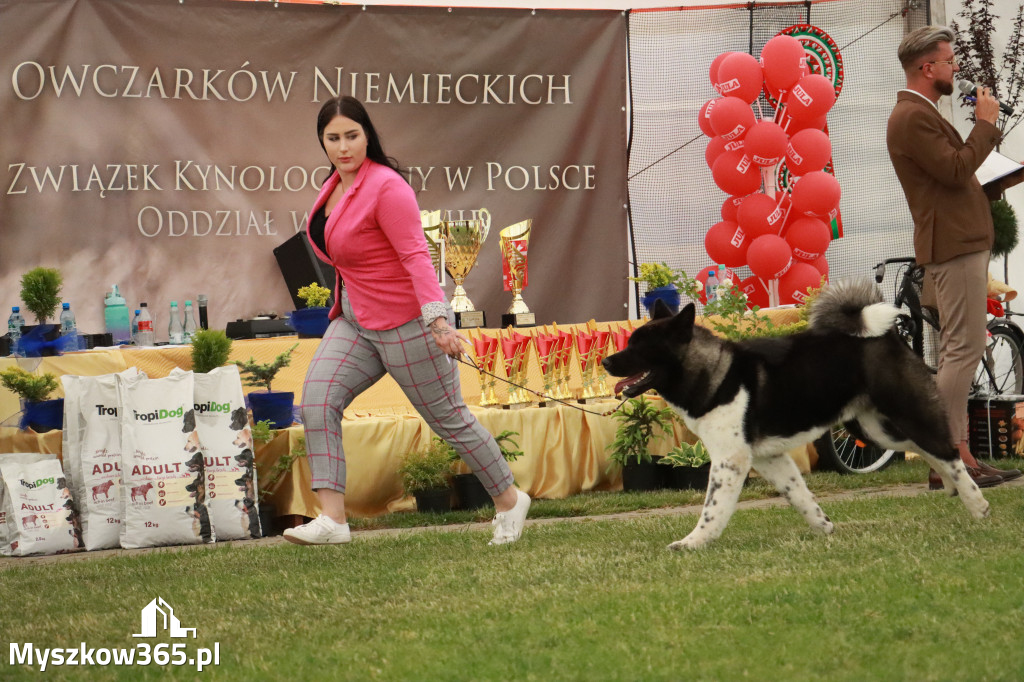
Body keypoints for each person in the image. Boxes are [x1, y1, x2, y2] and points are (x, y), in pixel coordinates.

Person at [284, 96, 531, 546]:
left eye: (352, 136)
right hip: (355, 320)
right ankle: (333, 521)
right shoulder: (333, 185)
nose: (343, 147)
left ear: (368, 135)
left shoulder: (387, 186)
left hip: (406, 324)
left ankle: (511, 501)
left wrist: (439, 323)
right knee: (318, 399)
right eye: (333, 138)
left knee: (449, 419)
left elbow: (416, 256)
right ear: (321, 142)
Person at [886, 25, 1021, 489]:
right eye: (948, 60)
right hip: (952, 247)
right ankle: (948, 460)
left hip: (959, 242)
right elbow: (955, 168)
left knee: (960, 350)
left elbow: (956, 175)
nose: (956, 67)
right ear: (928, 69)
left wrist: (991, 182)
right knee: (963, 350)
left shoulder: (920, 113)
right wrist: (984, 125)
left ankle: (959, 454)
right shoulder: (910, 116)